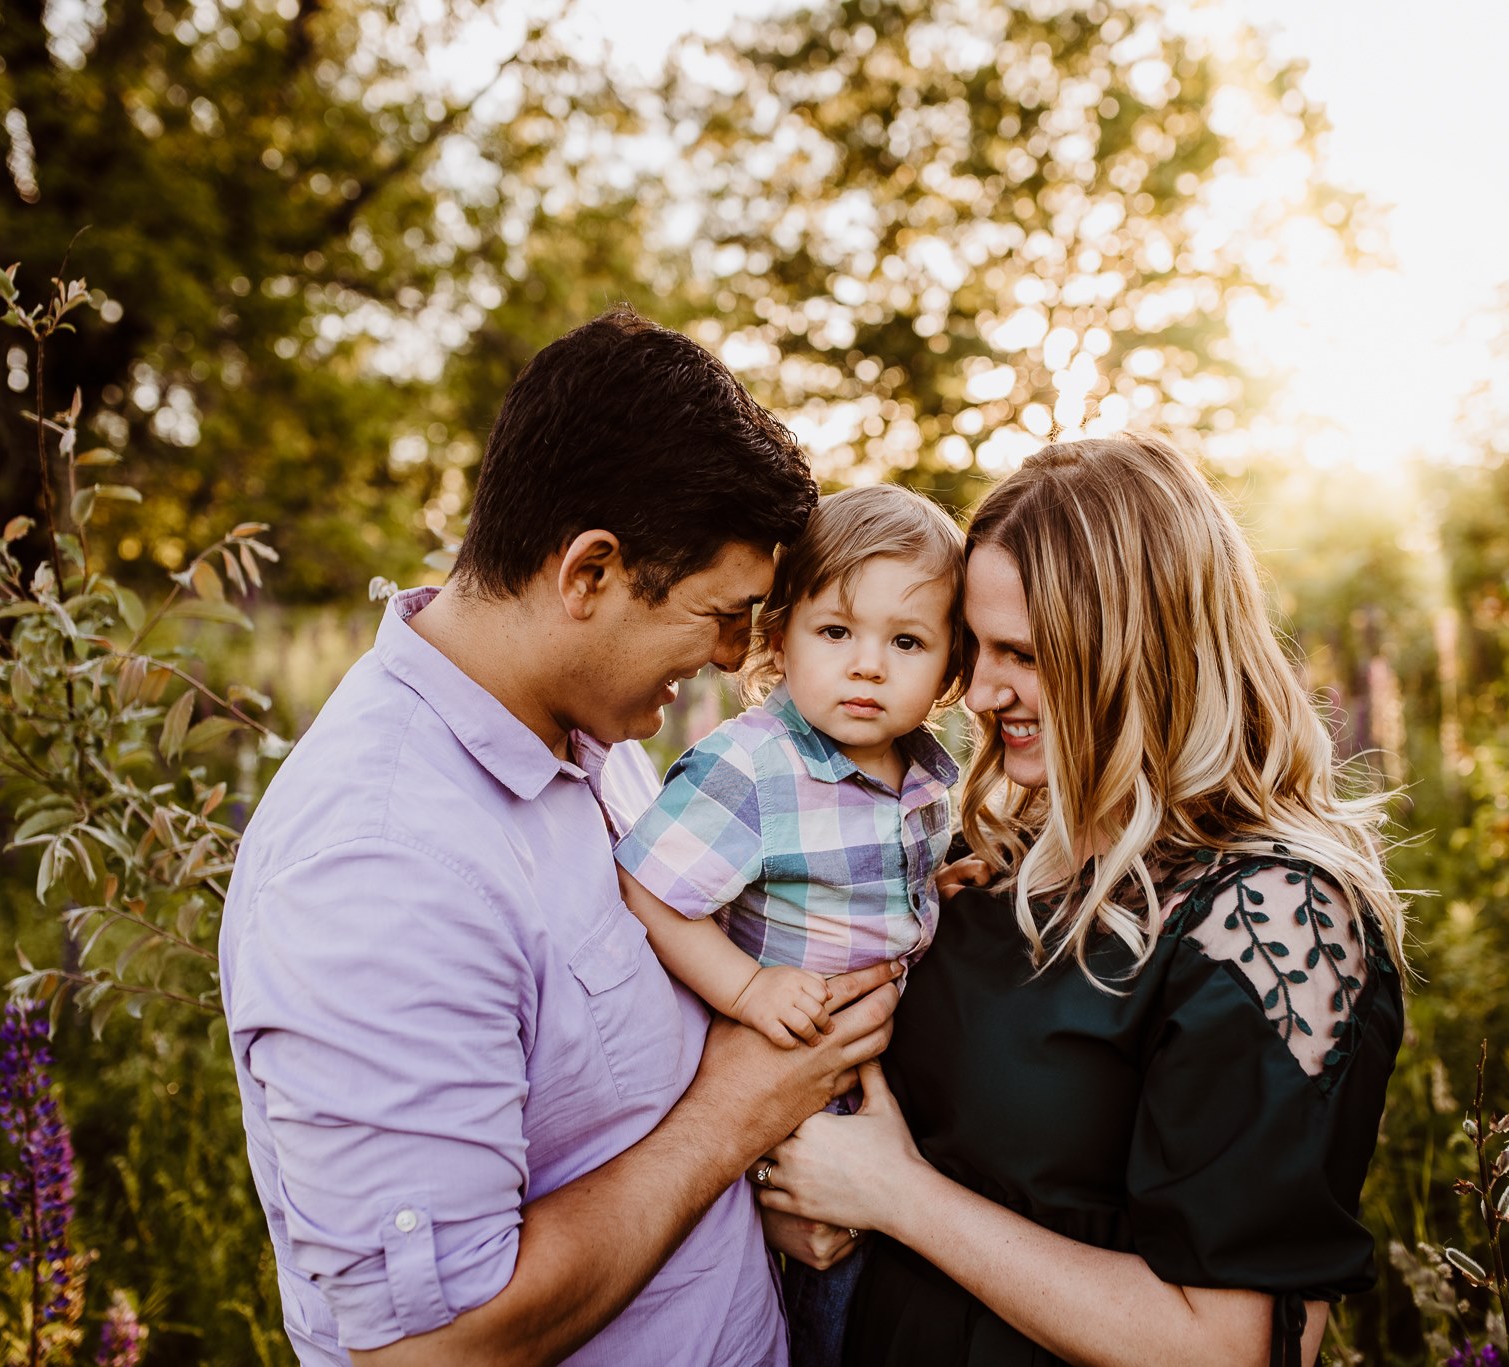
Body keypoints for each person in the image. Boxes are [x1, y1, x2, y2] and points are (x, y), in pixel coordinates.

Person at [219, 307, 901, 1367]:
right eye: (721, 613)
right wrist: (730, 1117)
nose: (733, 657)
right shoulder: (382, 865)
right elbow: (435, 1346)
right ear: (588, 573)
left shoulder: (586, 727)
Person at [755, 433, 1409, 1367]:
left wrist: (898, 1198)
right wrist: (796, 1195)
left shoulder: (1273, 922)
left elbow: (1232, 1349)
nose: (978, 691)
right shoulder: (988, 864)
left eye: (1022, 652)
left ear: (1137, 647)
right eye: (976, 647)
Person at [613, 484, 967, 1367]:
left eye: (908, 641)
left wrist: (945, 890)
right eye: (836, 631)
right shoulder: (752, 767)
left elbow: (892, 886)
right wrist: (748, 986)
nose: (868, 665)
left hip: (897, 1091)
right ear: (779, 639)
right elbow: (645, 890)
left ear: (950, 669)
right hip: (797, 1105)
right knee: (824, 1310)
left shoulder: (925, 771)